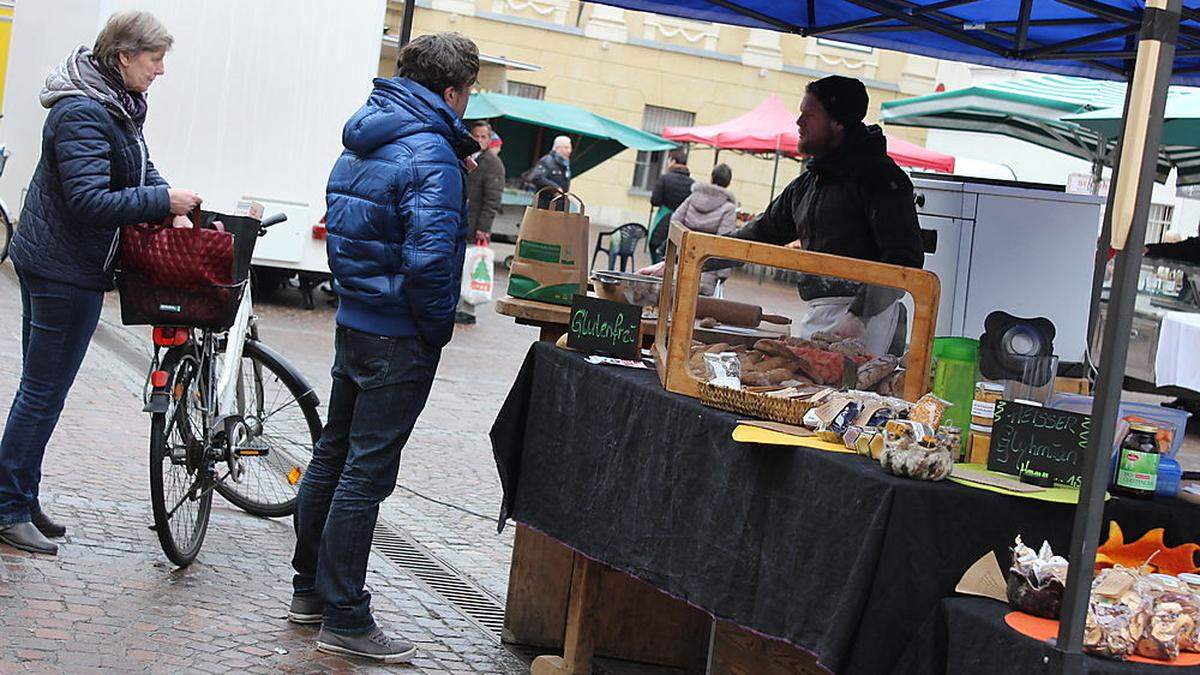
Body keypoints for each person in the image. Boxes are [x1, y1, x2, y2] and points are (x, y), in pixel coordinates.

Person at [289, 32, 480, 664]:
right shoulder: (430, 151)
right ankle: (345, 612)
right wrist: (434, 328)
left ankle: (310, 590)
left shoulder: (371, 132)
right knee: (364, 471)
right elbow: (429, 259)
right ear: (451, 92)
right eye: (468, 95)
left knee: (334, 452)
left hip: (357, 316)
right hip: (397, 329)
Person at [0, 12, 201, 557]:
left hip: (65, 262)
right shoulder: (84, 112)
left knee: (42, 389)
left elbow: (140, 168)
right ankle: (8, 506)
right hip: (64, 267)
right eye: (155, 60)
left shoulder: (115, 105)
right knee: (43, 391)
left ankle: (20, 493)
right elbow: (90, 202)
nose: (161, 71)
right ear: (123, 57)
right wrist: (164, 202)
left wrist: (170, 201)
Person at [641, 75, 923, 356]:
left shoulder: (881, 178)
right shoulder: (809, 183)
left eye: (808, 115)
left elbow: (904, 259)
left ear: (838, 122)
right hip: (819, 310)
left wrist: (859, 315)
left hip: (869, 318)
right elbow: (758, 234)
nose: (799, 123)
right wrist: (686, 259)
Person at [457, 119, 505, 325]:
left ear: (489, 139)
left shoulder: (493, 163)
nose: (478, 139)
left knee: (472, 267)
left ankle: (468, 310)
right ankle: (458, 306)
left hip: (475, 224)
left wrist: (484, 228)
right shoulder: (464, 157)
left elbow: (492, 199)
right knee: (461, 266)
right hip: (459, 220)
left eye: (483, 136)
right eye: (475, 136)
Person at [671, 163, 737, 296]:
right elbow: (725, 241)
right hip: (708, 264)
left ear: (712, 178)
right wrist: (723, 273)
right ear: (728, 183)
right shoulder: (728, 208)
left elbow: (675, 221)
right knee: (699, 307)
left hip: (685, 257)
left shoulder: (692, 198)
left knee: (678, 298)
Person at [649, 148, 695, 261]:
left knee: (655, 245)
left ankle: (656, 271)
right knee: (673, 249)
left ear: (673, 161)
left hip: (663, 217)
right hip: (682, 222)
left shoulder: (664, 178)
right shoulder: (692, 184)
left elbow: (655, 200)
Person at [529, 135, 571, 209]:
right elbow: (536, 177)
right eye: (566, 147)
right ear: (557, 148)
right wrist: (555, 188)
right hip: (544, 207)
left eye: (570, 148)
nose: (569, 151)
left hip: (559, 207)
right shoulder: (546, 161)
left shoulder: (565, 165)